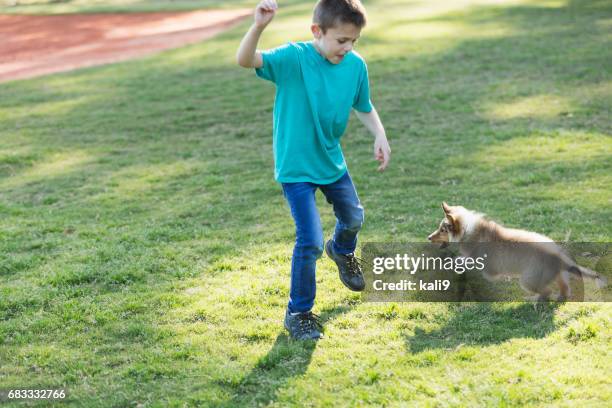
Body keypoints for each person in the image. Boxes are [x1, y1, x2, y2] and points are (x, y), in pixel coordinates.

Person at [236, 0, 391, 340]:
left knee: (353, 218)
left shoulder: (355, 65)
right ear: (316, 32)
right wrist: (258, 26)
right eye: (341, 41)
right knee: (309, 241)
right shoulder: (294, 58)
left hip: (331, 162)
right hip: (296, 168)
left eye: (354, 41)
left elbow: (362, 105)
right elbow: (246, 60)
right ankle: (299, 312)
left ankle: (343, 250)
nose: (347, 48)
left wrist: (379, 134)